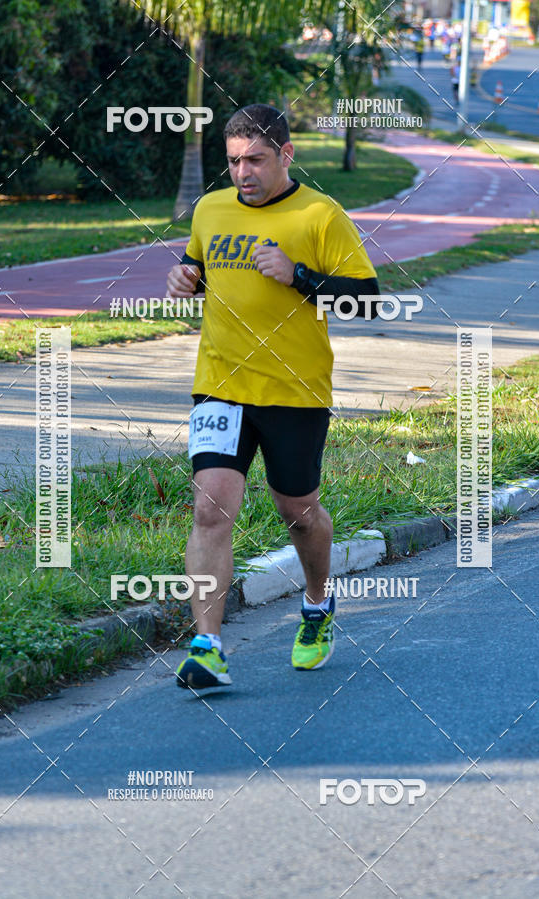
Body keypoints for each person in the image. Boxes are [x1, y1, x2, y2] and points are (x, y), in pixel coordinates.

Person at [167, 103, 380, 690]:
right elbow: (200, 271)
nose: (243, 173)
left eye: (255, 159)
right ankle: (207, 646)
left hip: (295, 391)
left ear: (285, 155)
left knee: (299, 513)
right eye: (234, 161)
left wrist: (301, 276)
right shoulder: (210, 210)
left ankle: (316, 606)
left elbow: (367, 299)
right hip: (220, 385)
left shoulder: (320, 214)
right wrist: (185, 279)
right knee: (210, 506)